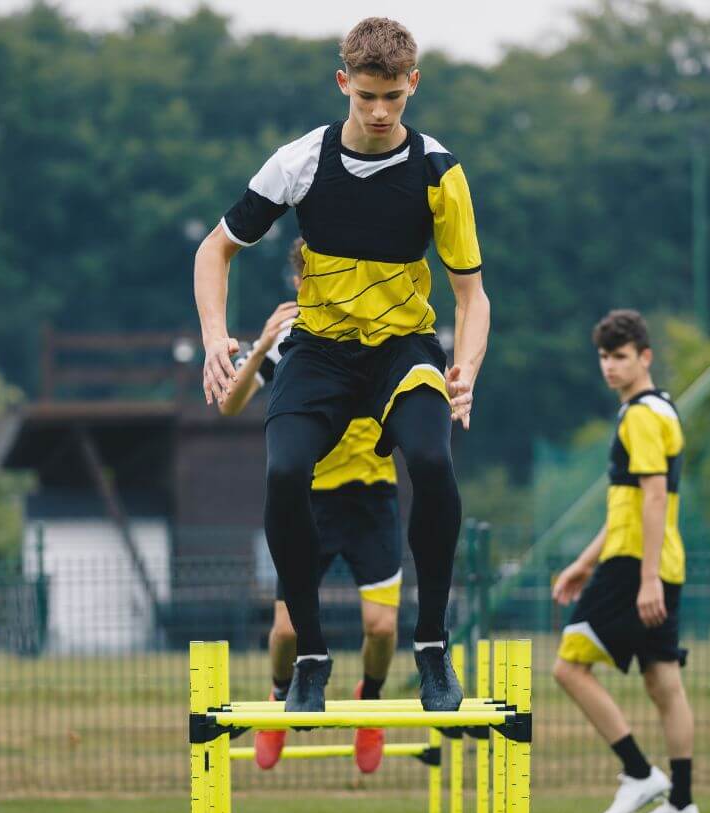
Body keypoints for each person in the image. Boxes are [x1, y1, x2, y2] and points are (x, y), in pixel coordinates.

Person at [193, 17, 488, 712]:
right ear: (343, 85)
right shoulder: (300, 161)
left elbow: (471, 295)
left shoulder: (438, 172)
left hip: (402, 349)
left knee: (432, 457)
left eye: (393, 96)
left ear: (412, 84)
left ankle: (433, 647)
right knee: (285, 470)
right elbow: (215, 249)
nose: (381, 112)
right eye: (366, 98)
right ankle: (313, 658)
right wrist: (215, 335)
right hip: (321, 351)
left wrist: (466, 368)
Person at [220, 238, 398, 771]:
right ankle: (279, 694)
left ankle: (370, 703)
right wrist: (258, 348)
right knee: (286, 632)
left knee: (382, 628)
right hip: (310, 504)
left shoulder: (383, 323)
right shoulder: (288, 341)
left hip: (371, 499)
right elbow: (230, 407)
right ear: (301, 284)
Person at [552, 310, 698, 813]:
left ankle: (639, 773)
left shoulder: (640, 414)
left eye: (620, 357)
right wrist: (582, 563)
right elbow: (630, 504)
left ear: (645, 357)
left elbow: (654, 496)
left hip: (637, 564)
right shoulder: (662, 409)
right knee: (663, 680)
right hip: (653, 559)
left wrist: (647, 578)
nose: (610, 367)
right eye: (604, 358)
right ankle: (682, 802)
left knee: (568, 666)